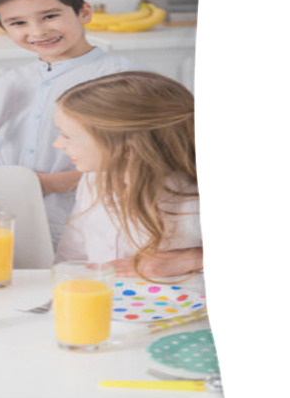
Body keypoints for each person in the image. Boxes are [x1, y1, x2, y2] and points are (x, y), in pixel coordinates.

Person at [0, 0, 140, 247]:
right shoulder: (11, 81)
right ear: (4, 28)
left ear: (84, 12)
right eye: (18, 23)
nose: (38, 31)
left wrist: (51, 184)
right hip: (19, 217)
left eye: (50, 16)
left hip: (94, 220)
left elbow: (142, 160)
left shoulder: (125, 77)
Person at [53, 71, 203, 280]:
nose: (58, 144)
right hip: (106, 303)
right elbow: (72, 252)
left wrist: (190, 258)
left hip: (181, 305)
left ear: (127, 145)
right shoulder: (92, 181)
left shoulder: (193, 198)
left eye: (67, 135)